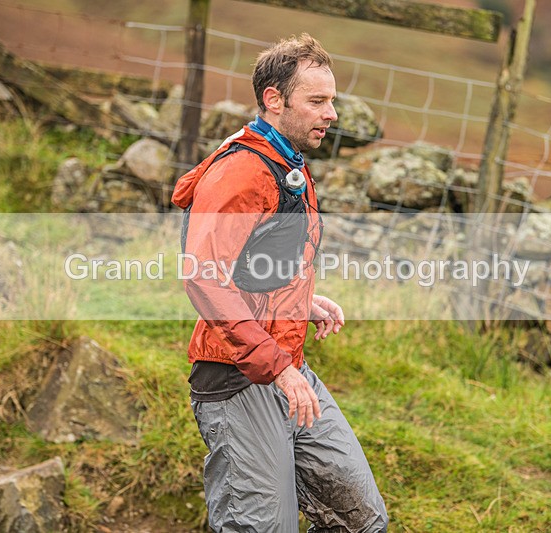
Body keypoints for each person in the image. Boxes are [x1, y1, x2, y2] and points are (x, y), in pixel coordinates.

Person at [171, 33, 388, 532]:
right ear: (274, 99)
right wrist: (279, 369)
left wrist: (303, 300)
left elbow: (260, 259)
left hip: (287, 366)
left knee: (360, 519)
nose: (331, 113)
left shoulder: (287, 160)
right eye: (317, 101)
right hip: (237, 380)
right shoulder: (243, 172)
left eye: (331, 100)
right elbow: (204, 276)